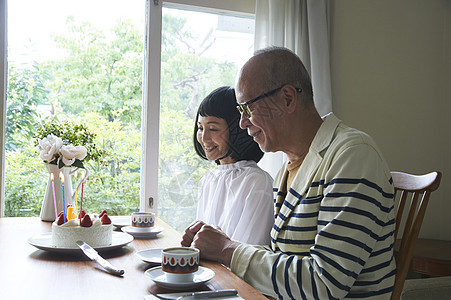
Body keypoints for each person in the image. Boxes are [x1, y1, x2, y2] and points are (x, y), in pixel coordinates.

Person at [181, 47, 396, 299]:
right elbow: (283, 260)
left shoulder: (352, 155)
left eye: (248, 109)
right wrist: (221, 245)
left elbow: (324, 284)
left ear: (287, 98)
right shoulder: (288, 168)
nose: (242, 123)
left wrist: (229, 250)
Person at [192, 86, 274, 245]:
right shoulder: (208, 180)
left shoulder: (256, 182)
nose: (204, 137)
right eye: (200, 128)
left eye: (213, 128)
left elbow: (250, 253)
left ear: (239, 129)